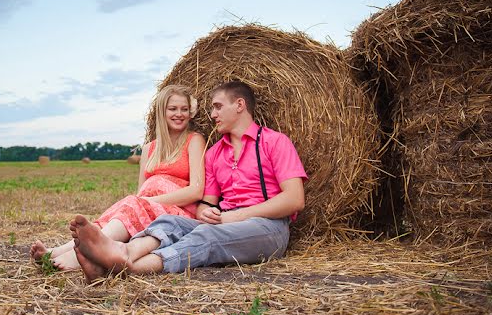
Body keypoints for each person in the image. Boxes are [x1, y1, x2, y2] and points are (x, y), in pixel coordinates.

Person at [68, 80, 307, 282]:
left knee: (207, 237)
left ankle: (130, 267)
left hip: (268, 228)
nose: (212, 114)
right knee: (168, 223)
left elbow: (295, 199)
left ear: (239, 105)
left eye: (217, 107)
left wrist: (237, 216)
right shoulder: (214, 154)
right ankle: (120, 253)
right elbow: (207, 202)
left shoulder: (274, 142)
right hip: (223, 221)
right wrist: (205, 212)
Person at [30, 84, 206, 270]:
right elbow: (142, 189)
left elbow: (196, 190)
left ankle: (72, 257)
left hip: (176, 212)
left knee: (132, 203)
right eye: (173, 109)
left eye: (184, 109)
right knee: (124, 209)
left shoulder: (194, 140)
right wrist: (143, 202)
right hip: (146, 207)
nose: (179, 114)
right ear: (162, 112)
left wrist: (149, 201)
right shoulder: (149, 149)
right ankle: (59, 251)